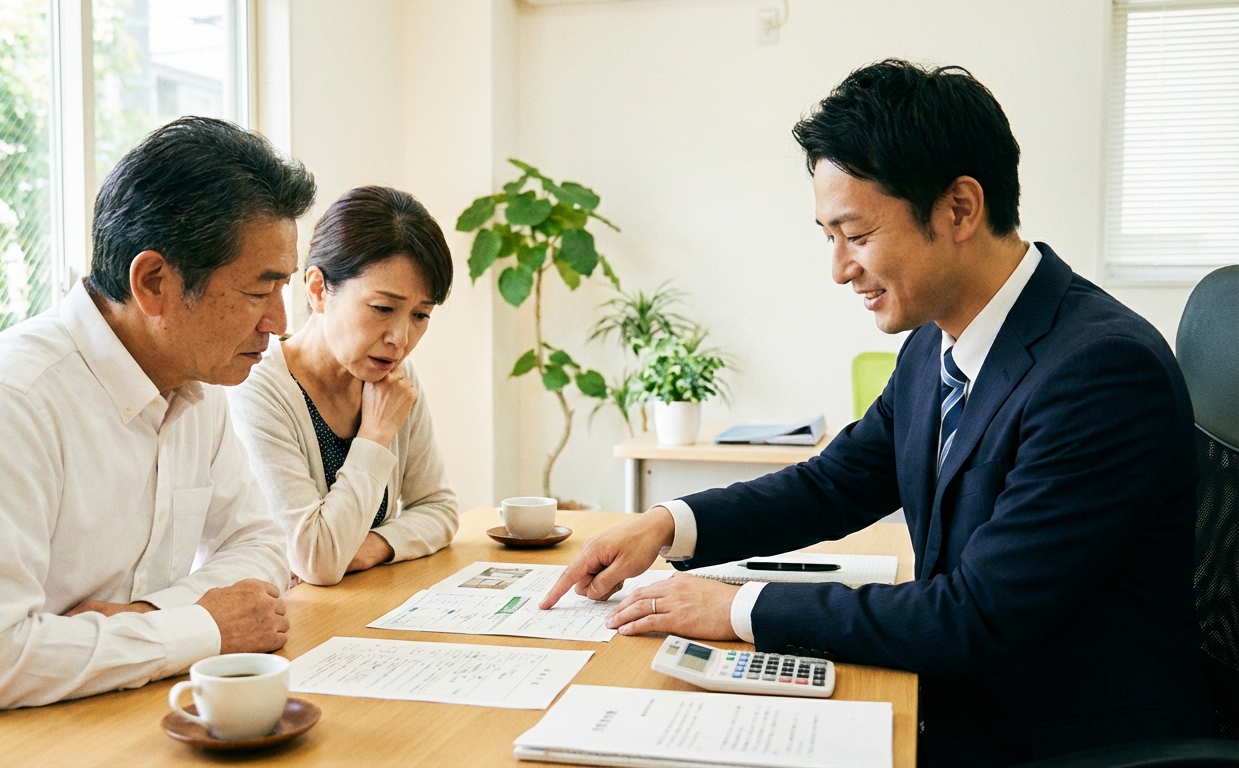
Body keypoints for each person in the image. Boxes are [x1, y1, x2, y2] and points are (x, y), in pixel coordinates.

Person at [541, 60, 1212, 766]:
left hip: (1056, 736)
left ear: (959, 209)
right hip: (956, 695)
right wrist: (669, 525)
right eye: (827, 237)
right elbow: (835, 483)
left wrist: (737, 608)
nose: (838, 268)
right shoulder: (935, 340)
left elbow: (976, 616)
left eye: (856, 235)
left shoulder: (1100, 371)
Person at [0, 116, 316, 760]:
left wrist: (156, 617)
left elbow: (257, 543)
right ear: (154, 282)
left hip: (102, 715)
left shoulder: (194, 385)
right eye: (257, 290)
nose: (279, 322)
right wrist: (201, 625)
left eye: (283, 286)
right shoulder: (7, 402)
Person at [228, 186, 458, 586]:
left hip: (363, 605)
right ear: (318, 289)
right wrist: (375, 434)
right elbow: (315, 558)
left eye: (420, 315)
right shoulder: (257, 388)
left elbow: (439, 509)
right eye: (383, 309)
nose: (400, 338)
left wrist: (372, 546)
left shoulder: (396, 378)